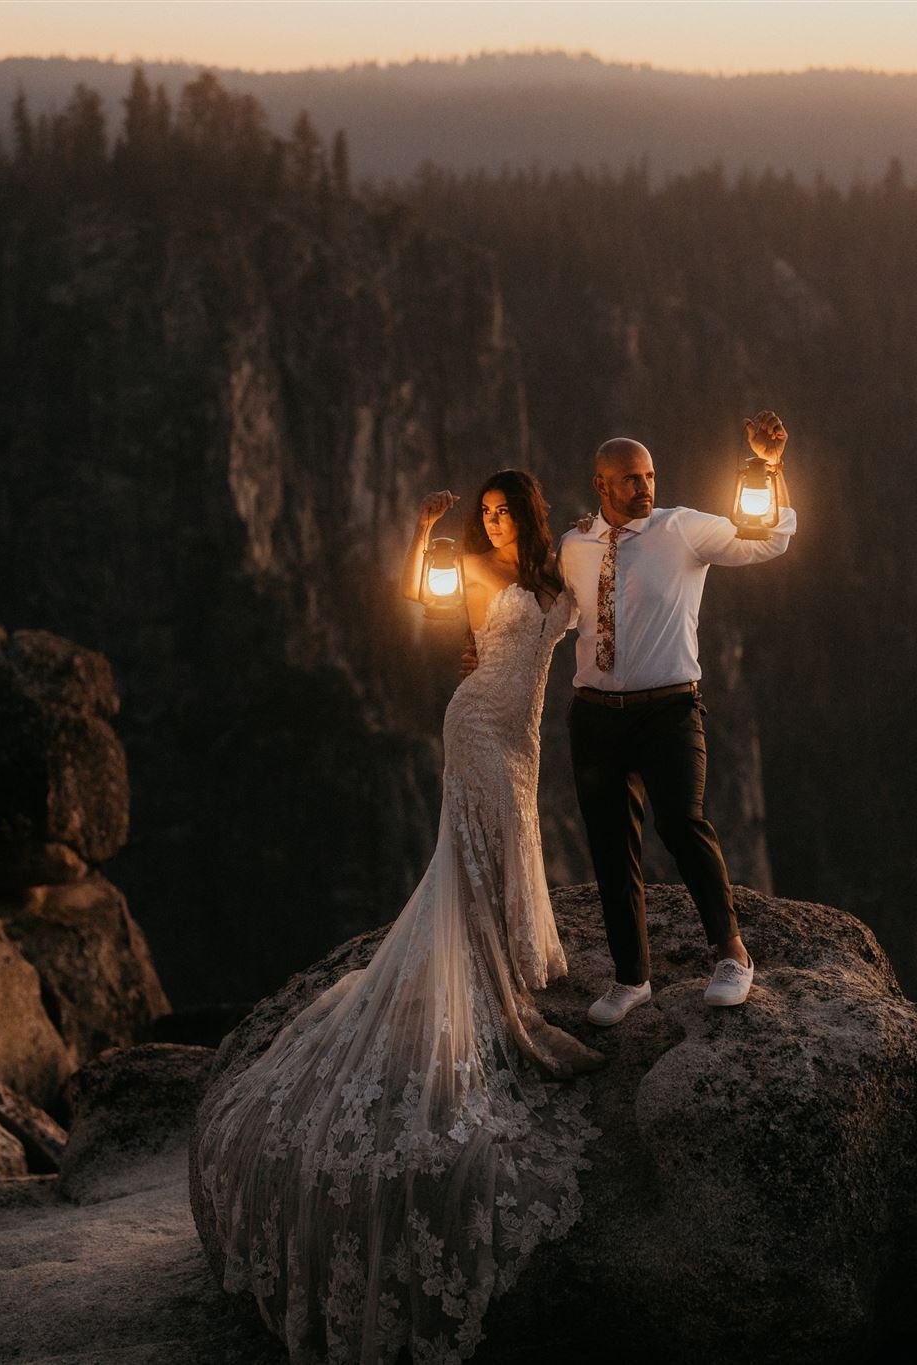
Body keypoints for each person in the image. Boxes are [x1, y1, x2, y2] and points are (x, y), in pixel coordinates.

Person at [191, 469, 602, 1365]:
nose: (490, 524)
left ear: (526, 518)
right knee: (476, 842)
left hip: (522, 734)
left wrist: (598, 524)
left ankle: (500, 946)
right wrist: (424, 534)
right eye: (483, 513)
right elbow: (422, 598)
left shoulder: (554, 585)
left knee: (512, 832)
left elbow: (591, 597)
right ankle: (486, 969)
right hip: (474, 725)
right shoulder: (482, 574)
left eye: (502, 513)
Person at [556, 410, 796, 1026]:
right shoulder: (575, 544)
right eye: (631, 479)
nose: (645, 487)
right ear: (601, 484)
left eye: (650, 476)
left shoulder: (684, 529)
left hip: (669, 709)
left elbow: (769, 539)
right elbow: (552, 614)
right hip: (595, 716)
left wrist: (770, 468)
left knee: (684, 823)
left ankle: (733, 955)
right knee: (611, 847)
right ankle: (630, 978)